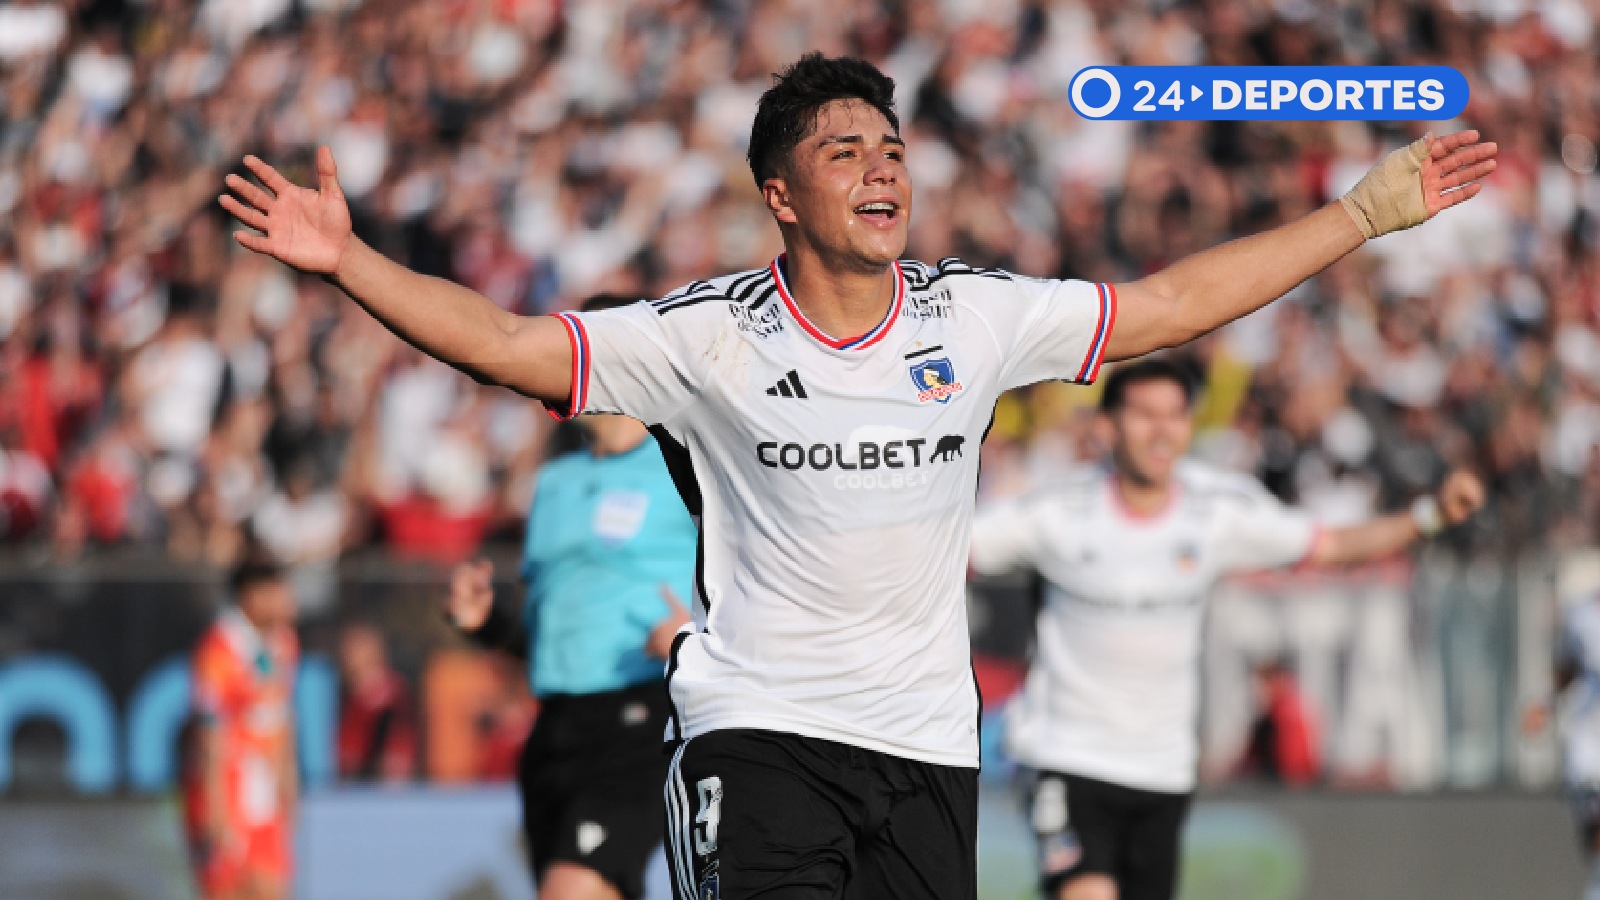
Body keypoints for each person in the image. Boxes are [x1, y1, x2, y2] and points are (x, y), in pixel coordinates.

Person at [219, 51, 1496, 900]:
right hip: (759, 729)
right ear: (779, 195)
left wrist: (1363, 214)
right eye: (845, 153)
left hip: (929, 751)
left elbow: (1165, 303)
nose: (884, 168)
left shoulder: (976, 320)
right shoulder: (703, 336)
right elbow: (504, 345)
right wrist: (352, 263)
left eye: (891, 149)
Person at [968, 358, 1487, 900]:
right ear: (1107, 428)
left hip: (1161, 766)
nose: (1162, 430)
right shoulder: (1056, 511)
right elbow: (953, 552)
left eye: (1175, 415)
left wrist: (1429, 516)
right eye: (1145, 414)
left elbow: (1329, 545)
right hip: (1065, 756)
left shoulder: (1215, 510)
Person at [444, 297, 696, 900]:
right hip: (554, 727)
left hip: (639, 713)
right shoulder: (553, 484)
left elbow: (759, 568)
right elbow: (548, 629)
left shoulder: (684, 465)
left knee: (573, 889)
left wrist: (698, 637)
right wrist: (487, 625)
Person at [183, 557, 299, 900]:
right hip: (226, 793)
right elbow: (208, 732)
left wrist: (289, 782)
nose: (287, 600)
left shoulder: (284, 643)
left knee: (273, 888)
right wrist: (217, 811)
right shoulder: (217, 651)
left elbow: (282, 714)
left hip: (264, 798)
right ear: (251, 595)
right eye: (278, 592)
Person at [335, 621, 418, 783]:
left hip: (379, 784)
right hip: (351, 781)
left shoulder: (391, 693)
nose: (347, 655)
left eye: (355, 648)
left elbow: (397, 748)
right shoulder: (348, 694)